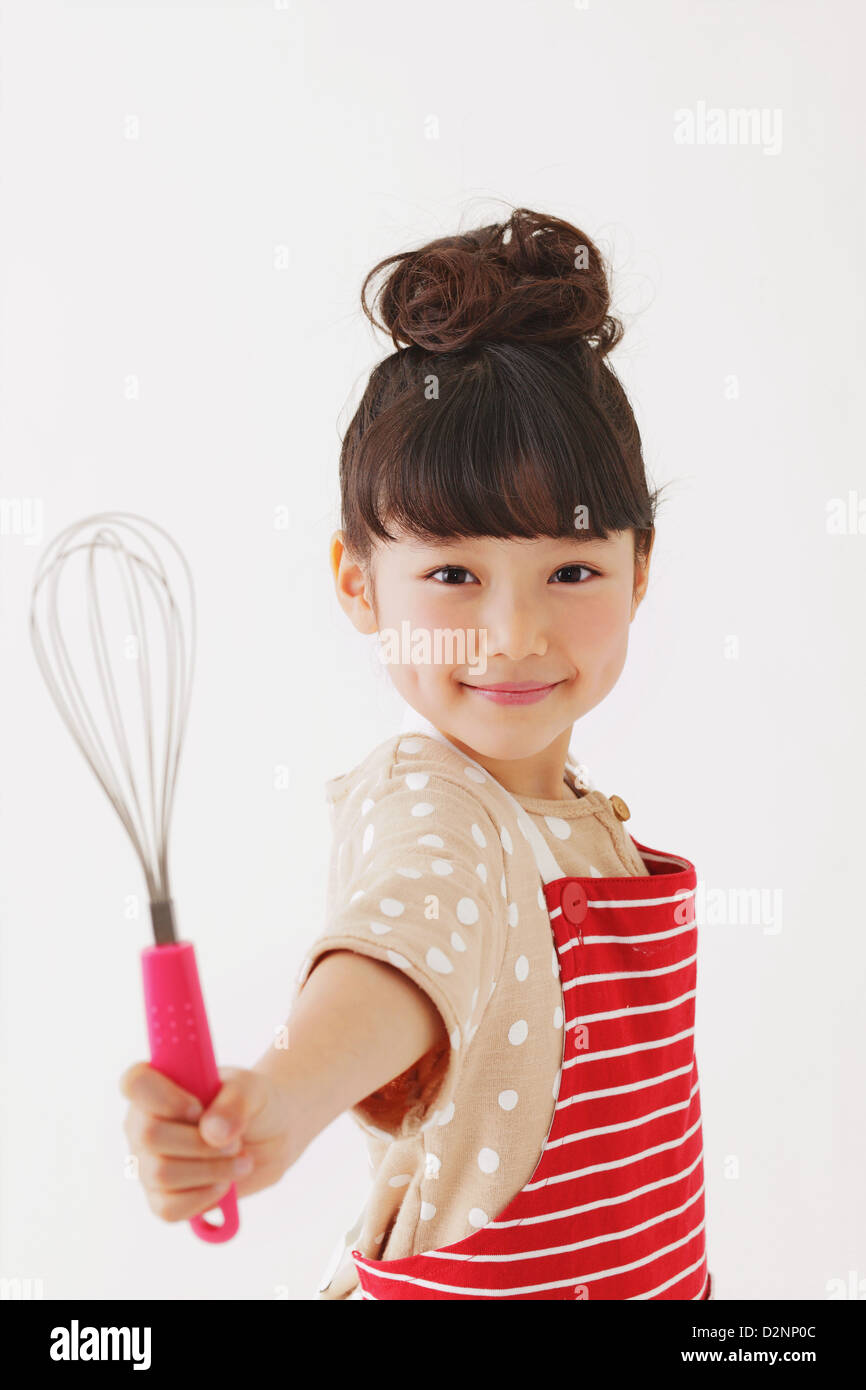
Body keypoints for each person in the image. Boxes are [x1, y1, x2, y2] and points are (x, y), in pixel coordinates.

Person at [121, 205, 712, 1301]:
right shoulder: (436, 812)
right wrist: (283, 1098)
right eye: (451, 574)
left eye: (570, 572)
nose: (512, 634)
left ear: (639, 570)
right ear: (359, 582)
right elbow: (404, 945)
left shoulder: (572, 815)